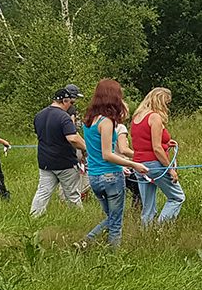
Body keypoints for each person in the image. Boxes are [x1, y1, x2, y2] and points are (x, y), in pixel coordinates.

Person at [80, 79, 149, 249]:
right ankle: (107, 253)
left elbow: (95, 152)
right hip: (110, 177)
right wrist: (134, 165)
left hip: (94, 177)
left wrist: (122, 166)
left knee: (111, 217)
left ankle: (85, 242)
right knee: (116, 222)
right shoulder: (106, 122)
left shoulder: (88, 120)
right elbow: (107, 154)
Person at [131, 87, 186, 225]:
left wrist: (167, 143)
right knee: (177, 197)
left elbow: (144, 141)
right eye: (166, 103)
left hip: (139, 166)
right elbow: (156, 148)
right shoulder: (154, 117)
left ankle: (147, 235)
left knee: (148, 208)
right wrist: (170, 169)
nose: (167, 107)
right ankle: (160, 228)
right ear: (160, 101)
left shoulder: (137, 117)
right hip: (155, 165)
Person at [30, 85, 87, 216]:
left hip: (45, 162)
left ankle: (34, 217)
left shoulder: (39, 115)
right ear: (64, 101)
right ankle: (78, 219)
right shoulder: (64, 117)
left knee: (43, 192)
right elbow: (73, 138)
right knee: (72, 194)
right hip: (64, 162)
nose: (71, 105)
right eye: (70, 103)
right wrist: (87, 148)